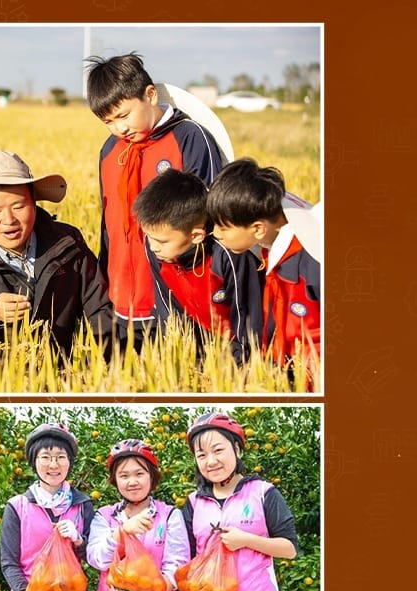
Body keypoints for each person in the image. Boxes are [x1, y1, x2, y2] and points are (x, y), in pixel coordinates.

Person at [86, 53, 227, 347]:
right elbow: (108, 225)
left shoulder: (190, 138)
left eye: (124, 115)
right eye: (108, 121)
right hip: (121, 301)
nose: (119, 129)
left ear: (150, 95)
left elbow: (209, 220)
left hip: (175, 301)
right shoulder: (110, 151)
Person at [0, 150, 114, 354]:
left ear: (34, 204)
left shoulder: (67, 243)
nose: (9, 220)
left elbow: (99, 308)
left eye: (19, 206)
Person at [181, 412, 298, 591]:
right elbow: (189, 556)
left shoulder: (263, 493)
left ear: (237, 449)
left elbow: (290, 549)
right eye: (201, 455)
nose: (210, 461)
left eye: (218, 450)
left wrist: (246, 540)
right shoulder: (193, 502)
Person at [207, 158, 322, 379]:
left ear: (258, 229)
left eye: (222, 227)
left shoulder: (311, 261)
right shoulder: (271, 245)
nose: (216, 234)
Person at [133, 169, 263, 363]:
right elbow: (169, 314)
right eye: (149, 237)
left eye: (161, 241)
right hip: (201, 347)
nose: (153, 247)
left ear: (196, 236)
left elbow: (248, 324)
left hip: (242, 352)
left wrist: (235, 371)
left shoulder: (229, 254)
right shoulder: (155, 248)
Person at [86, 440, 190, 591]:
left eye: (139, 474)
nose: (132, 481)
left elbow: (177, 567)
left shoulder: (169, 515)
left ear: (152, 476)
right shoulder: (105, 516)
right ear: (115, 480)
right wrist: (122, 532)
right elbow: (96, 559)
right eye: (124, 475)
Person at [0, 423, 94, 591]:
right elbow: (9, 562)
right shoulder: (17, 506)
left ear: (69, 462)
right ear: (34, 462)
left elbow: (94, 557)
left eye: (61, 456)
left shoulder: (83, 506)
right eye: (46, 457)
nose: (53, 464)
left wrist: (79, 540)